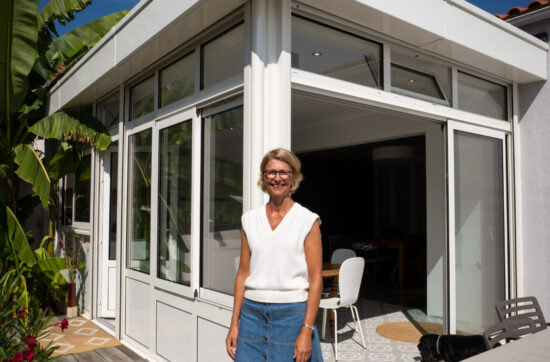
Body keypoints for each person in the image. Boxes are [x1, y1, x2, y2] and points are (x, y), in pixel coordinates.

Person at [226, 148, 323, 362]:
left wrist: (307, 330)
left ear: (293, 177)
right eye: (271, 172)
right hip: (251, 315)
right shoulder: (249, 220)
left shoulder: (307, 220)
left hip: (292, 316)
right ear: (263, 177)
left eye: (284, 172)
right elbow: (243, 274)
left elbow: (316, 279)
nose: (277, 178)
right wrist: (234, 323)